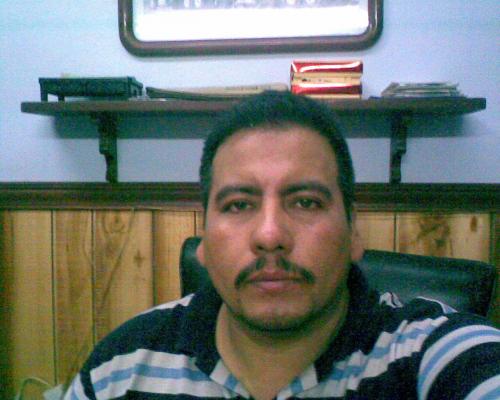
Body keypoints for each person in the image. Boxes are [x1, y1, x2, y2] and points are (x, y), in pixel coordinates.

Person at [64, 91, 500, 399]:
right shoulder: (120, 368)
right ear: (204, 244)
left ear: (353, 234)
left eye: (306, 202)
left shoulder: (433, 354)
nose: (269, 236)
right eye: (238, 205)